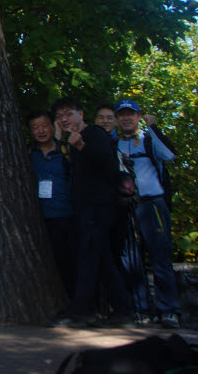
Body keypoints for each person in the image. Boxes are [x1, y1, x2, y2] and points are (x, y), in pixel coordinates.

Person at [48, 97, 132, 328]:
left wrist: (81, 146)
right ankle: (124, 310)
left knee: (87, 258)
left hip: (99, 208)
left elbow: (108, 166)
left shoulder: (94, 134)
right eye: (59, 116)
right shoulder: (74, 141)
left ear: (80, 114)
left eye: (68, 114)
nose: (64, 119)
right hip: (86, 209)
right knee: (103, 260)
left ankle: (79, 310)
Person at [114, 99, 180, 328]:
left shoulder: (149, 139)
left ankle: (169, 310)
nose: (126, 118)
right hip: (127, 206)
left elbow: (170, 155)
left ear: (139, 116)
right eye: (121, 115)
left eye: (130, 114)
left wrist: (153, 128)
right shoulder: (114, 143)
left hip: (153, 204)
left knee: (160, 258)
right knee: (131, 260)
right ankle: (141, 309)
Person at [26, 110, 77, 298]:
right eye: (35, 127)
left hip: (68, 215)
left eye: (44, 125)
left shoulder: (67, 150)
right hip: (41, 218)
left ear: (52, 126)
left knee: (72, 262)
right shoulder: (28, 154)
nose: (41, 131)